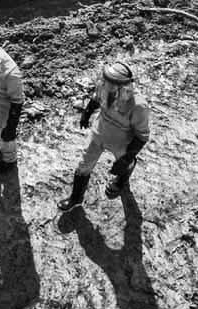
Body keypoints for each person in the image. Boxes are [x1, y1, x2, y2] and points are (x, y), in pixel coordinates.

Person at [56, 62, 151, 211]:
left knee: (125, 164)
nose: (105, 85)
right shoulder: (104, 86)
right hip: (99, 133)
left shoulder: (138, 106)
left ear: (123, 87)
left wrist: (127, 158)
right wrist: (87, 113)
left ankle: (121, 181)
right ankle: (75, 198)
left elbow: (142, 136)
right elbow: (96, 99)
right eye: (105, 81)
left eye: (110, 84)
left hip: (122, 142)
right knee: (84, 165)